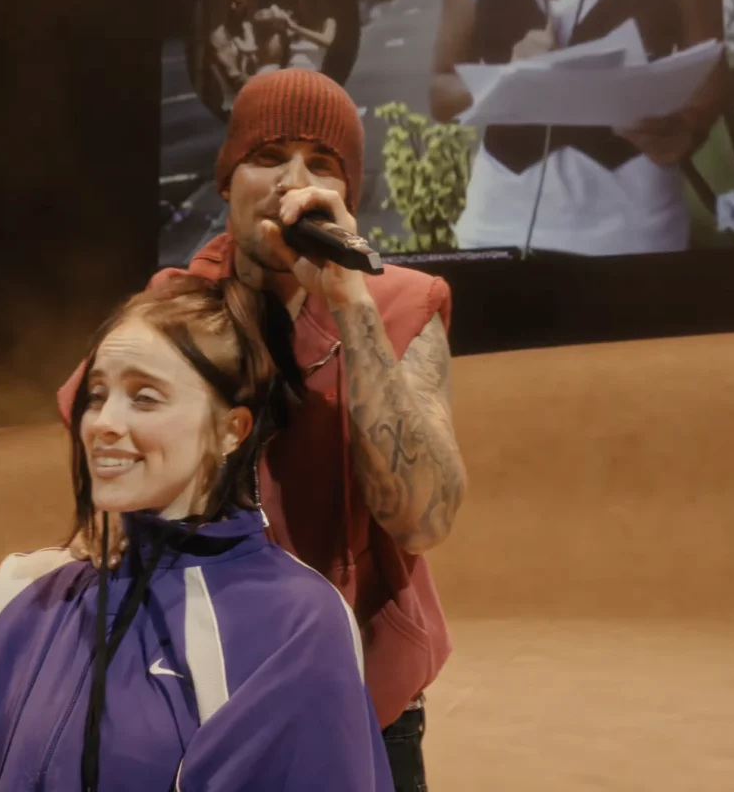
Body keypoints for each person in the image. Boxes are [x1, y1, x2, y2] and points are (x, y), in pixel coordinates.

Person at [58, 68, 468, 791]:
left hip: (362, 700)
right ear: (227, 180)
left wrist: (349, 299)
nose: (293, 181)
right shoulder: (176, 308)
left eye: (322, 164)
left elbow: (422, 518)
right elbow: (102, 472)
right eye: (268, 156)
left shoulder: (402, 303)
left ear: (347, 194)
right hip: (212, 687)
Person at [0, 275, 394, 791]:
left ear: (232, 431)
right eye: (97, 395)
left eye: (144, 398)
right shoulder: (17, 596)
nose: (103, 422)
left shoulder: (293, 626)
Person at [429, 0, 727, 256]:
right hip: (497, 225)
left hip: (634, 229)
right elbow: (441, 95)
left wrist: (690, 127)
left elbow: (712, 71)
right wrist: (508, 74)